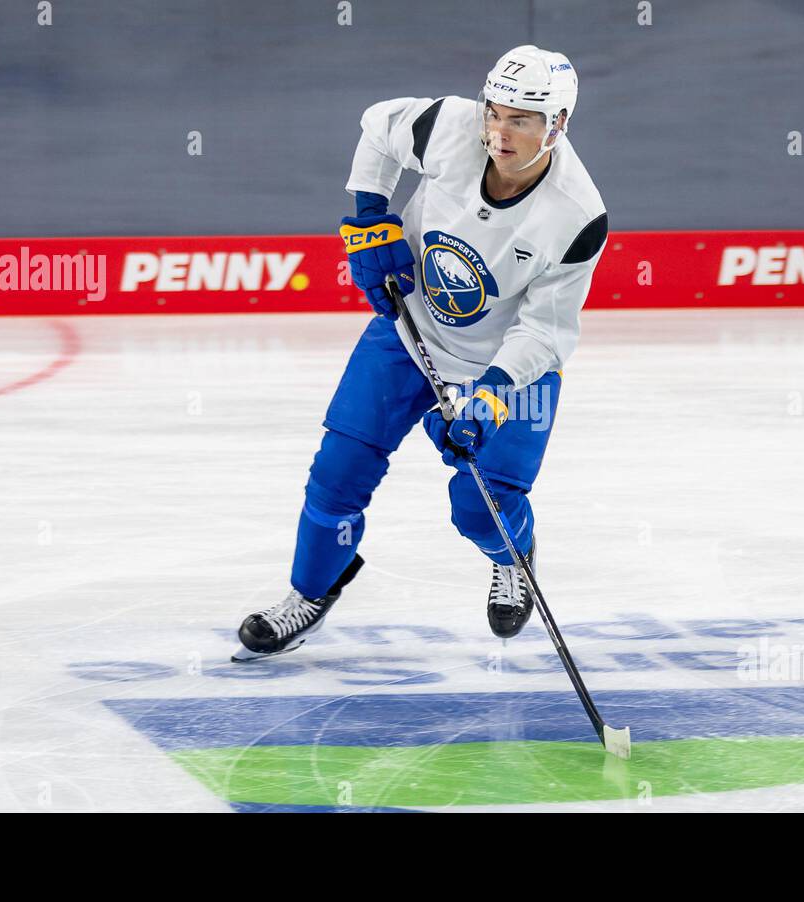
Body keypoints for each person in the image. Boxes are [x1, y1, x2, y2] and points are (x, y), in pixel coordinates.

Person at [234, 44, 608, 662]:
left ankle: (512, 555)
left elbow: (545, 333)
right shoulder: (448, 125)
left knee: (479, 504)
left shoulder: (577, 216)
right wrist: (370, 216)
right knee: (339, 470)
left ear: (559, 124)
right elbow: (377, 129)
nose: (499, 130)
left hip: (511, 368)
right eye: (496, 111)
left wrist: (488, 393)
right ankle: (311, 589)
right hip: (409, 330)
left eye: (522, 119)